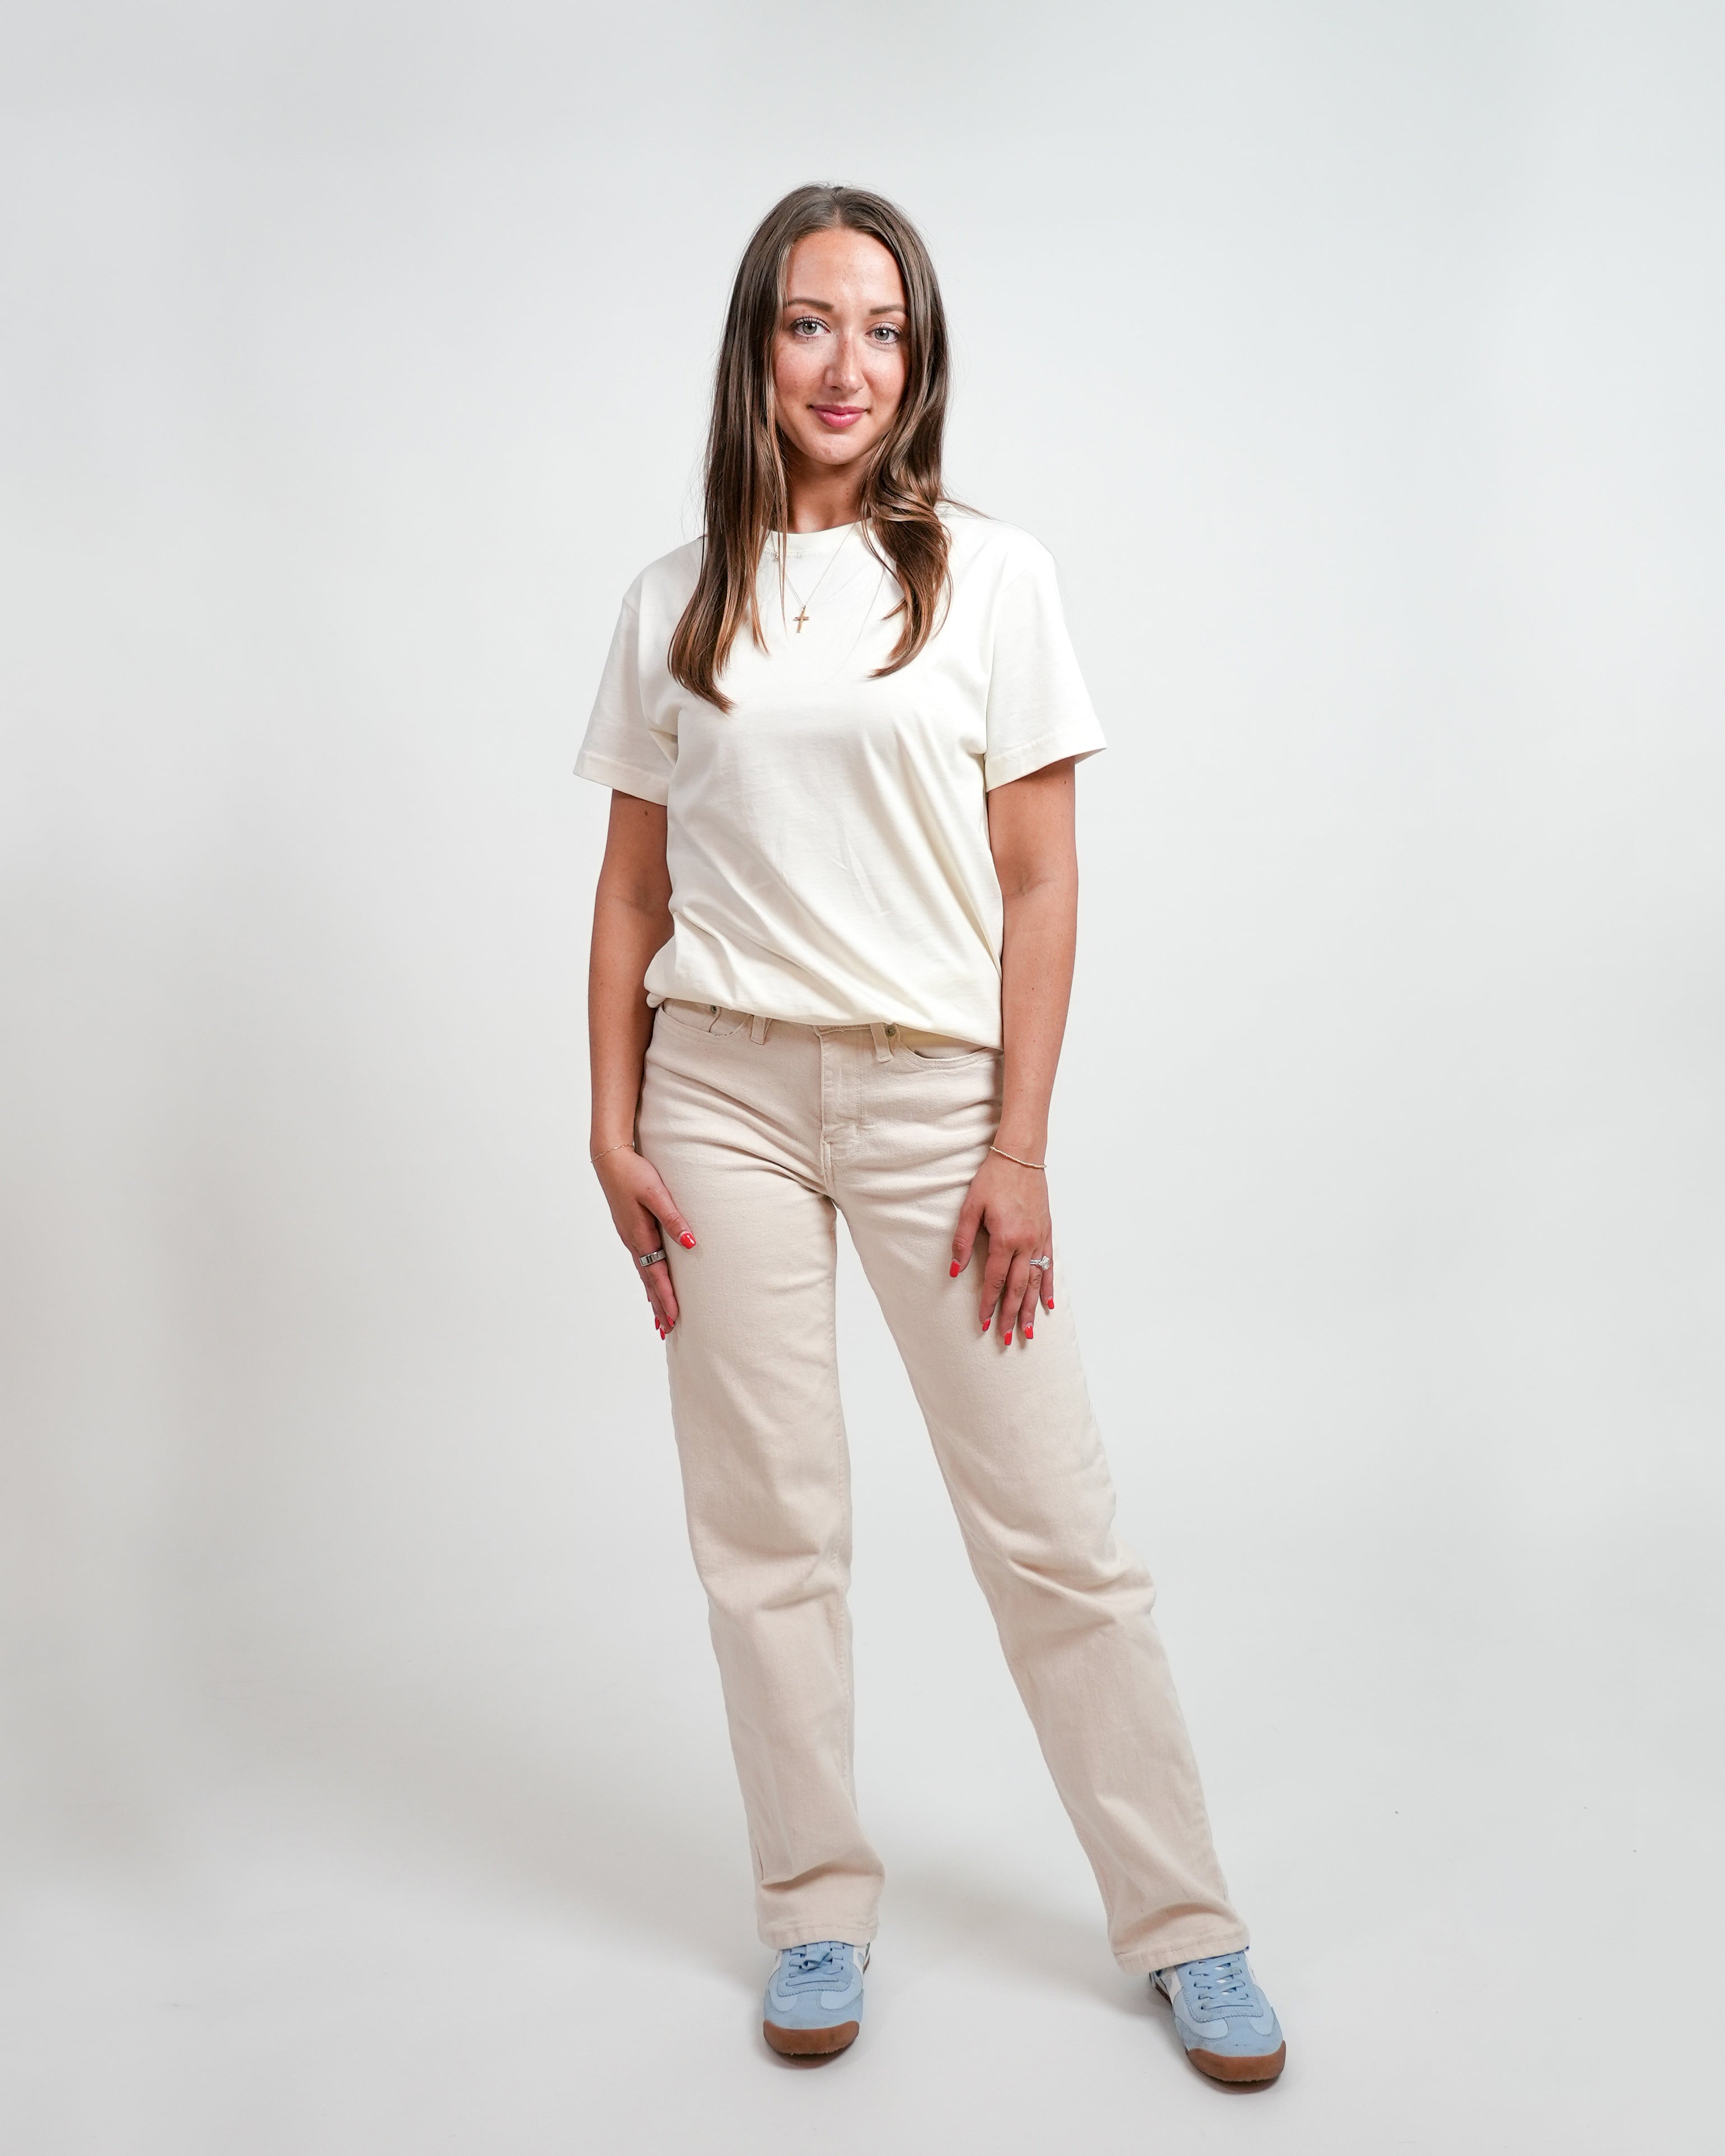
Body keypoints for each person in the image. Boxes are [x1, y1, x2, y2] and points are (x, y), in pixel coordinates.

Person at [577, 183, 1285, 2084]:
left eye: (884, 329)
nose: (848, 365)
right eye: (813, 324)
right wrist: (606, 1116)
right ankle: (813, 1909)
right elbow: (633, 892)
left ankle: (1186, 1925)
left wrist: (1019, 1142)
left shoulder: (993, 579)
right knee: (768, 1535)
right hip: (715, 1094)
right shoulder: (677, 597)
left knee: (1056, 1534)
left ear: (922, 357)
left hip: (932, 1106)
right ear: (758, 348)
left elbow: (1042, 887)